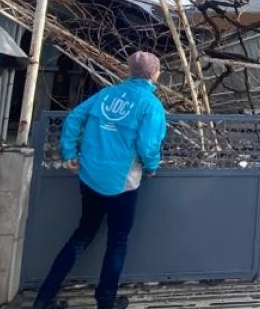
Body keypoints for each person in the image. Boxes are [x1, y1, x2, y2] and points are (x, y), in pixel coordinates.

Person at [33, 51, 167, 309]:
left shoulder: (106, 94)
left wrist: (69, 153)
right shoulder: (150, 105)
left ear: (130, 71)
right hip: (122, 183)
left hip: (90, 176)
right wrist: (151, 167)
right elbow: (148, 144)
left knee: (82, 235)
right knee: (117, 242)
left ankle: (43, 298)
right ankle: (105, 300)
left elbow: (74, 117)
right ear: (155, 74)